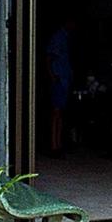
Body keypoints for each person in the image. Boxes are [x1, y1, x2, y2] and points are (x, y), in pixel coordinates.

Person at [45, 17, 76, 154]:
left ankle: (58, 143)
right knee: (56, 113)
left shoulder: (66, 37)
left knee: (60, 113)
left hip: (64, 78)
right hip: (59, 78)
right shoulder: (58, 37)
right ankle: (54, 144)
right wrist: (52, 76)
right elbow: (49, 58)